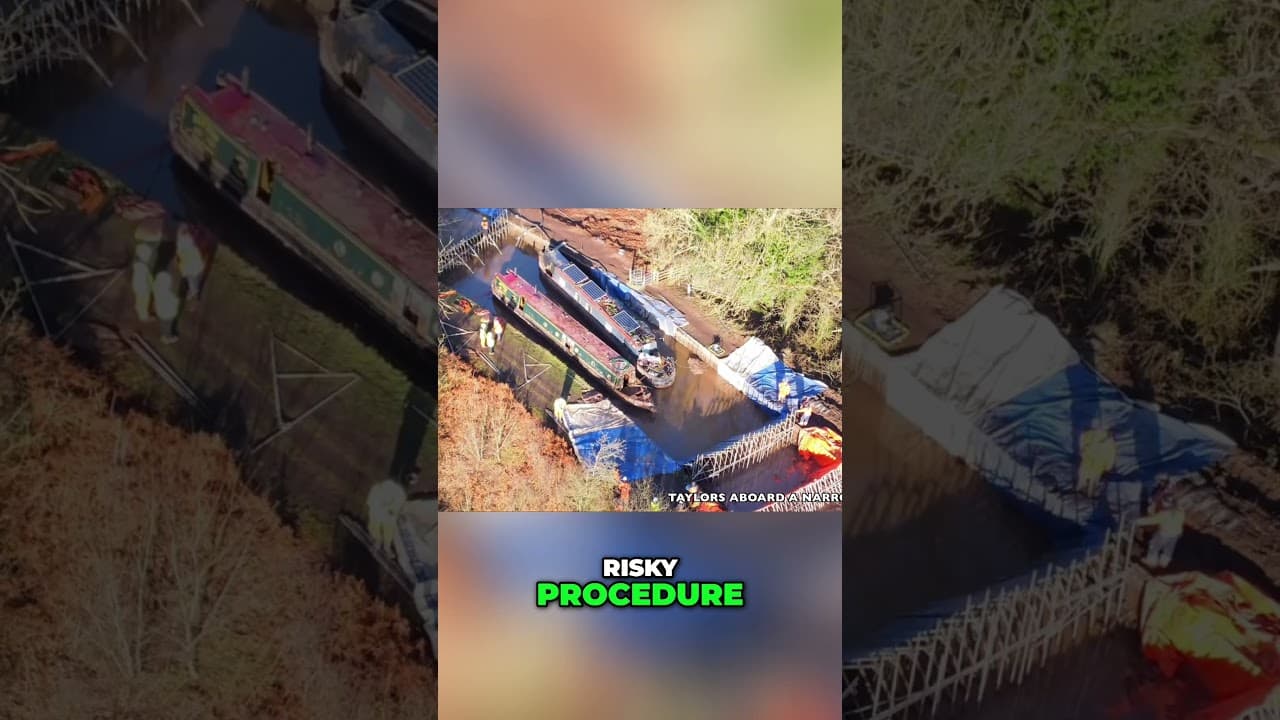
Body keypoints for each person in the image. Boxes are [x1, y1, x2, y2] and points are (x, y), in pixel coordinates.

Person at [1136, 493, 1185, 569]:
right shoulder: (1180, 512)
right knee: (1168, 550)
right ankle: (1164, 563)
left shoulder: (1163, 514)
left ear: (1167, 503)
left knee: (1154, 546)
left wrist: (1137, 521)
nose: (1162, 503)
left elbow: (1151, 520)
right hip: (1175, 535)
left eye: (1164, 502)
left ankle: (1151, 561)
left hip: (1163, 534)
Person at [1077, 419, 1118, 496]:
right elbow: (1111, 454)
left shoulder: (1092, 434)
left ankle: (1084, 489)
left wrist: (1083, 451)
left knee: (1088, 475)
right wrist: (1108, 466)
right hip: (1094, 461)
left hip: (1094, 461)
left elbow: (1111, 454)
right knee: (1091, 476)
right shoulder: (1108, 441)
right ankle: (1086, 490)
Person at [175, 223, 206, 301]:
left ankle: (194, 292)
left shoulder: (182, 241)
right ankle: (194, 291)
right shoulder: (189, 239)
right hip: (196, 265)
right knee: (195, 279)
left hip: (191, 267)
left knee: (192, 281)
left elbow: (180, 254)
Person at [153, 271, 182, 344]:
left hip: (160, 312)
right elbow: (175, 302)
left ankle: (164, 334)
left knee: (163, 324)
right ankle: (167, 337)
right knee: (168, 326)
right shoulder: (170, 295)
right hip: (168, 314)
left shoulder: (157, 289)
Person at [131, 241, 156, 321]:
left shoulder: (137, 264)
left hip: (138, 285)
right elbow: (146, 278)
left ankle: (138, 308)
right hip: (142, 287)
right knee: (143, 301)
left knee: (140, 300)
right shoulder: (143, 267)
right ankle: (144, 316)